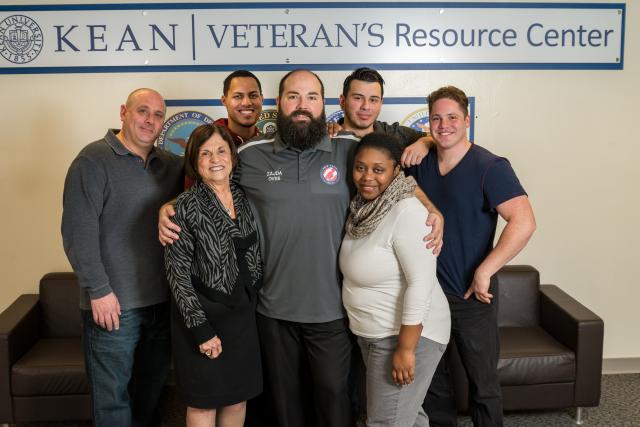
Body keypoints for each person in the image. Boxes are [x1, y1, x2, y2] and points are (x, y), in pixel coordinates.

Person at [159, 69, 444, 427]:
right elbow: (210, 182)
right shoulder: (250, 155)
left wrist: (432, 209)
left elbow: (393, 177)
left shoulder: (348, 149)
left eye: (311, 97)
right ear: (278, 103)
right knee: (285, 405)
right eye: (293, 96)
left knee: (333, 401)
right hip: (271, 310)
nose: (302, 106)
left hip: (332, 310)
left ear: (324, 105)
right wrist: (168, 207)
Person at [407, 86, 536, 426]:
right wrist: (423, 144)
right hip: (427, 297)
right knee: (434, 384)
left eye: (452, 117)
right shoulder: (421, 162)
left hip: (470, 296)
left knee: (483, 385)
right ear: (428, 124)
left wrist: (485, 270)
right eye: (436, 118)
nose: (444, 125)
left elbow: (524, 221)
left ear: (467, 120)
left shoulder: (490, 166)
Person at [61, 88, 183, 426]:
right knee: (112, 402)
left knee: (150, 395)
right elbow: (77, 234)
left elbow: (212, 175)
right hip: (114, 307)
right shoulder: (92, 161)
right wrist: (98, 291)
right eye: (142, 111)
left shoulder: (170, 165)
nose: (150, 121)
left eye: (158, 115)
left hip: (161, 305)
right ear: (123, 112)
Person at [340, 133, 451, 426]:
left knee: (385, 423)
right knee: (408, 417)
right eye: (360, 167)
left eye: (379, 170)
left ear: (395, 172)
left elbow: (420, 284)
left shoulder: (409, 212)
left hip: (406, 336)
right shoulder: (363, 208)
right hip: (375, 333)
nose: (367, 177)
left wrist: (405, 348)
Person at [164, 124, 263, 427]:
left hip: (242, 317)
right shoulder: (183, 207)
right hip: (202, 318)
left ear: (232, 156)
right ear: (194, 162)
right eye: (205, 154)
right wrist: (201, 330)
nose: (215, 159)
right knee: (204, 402)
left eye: (221, 151)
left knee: (237, 398)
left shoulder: (245, 197)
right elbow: (177, 274)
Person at [338, 67, 432, 167]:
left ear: (381, 103)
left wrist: (426, 142)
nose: (366, 106)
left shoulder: (394, 134)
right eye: (357, 98)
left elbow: (439, 138)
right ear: (342, 101)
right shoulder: (328, 135)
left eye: (373, 100)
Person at [218, 70, 264, 146]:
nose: (247, 103)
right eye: (238, 96)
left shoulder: (267, 144)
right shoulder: (207, 142)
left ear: (262, 99)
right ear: (224, 101)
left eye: (253, 96)